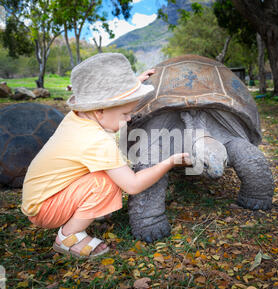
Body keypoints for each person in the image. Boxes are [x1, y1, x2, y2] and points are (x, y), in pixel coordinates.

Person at [21, 53, 191, 259]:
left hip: (41, 195)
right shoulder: (96, 141)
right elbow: (133, 185)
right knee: (107, 182)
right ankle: (67, 237)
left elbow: (110, 104)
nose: (129, 119)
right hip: (44, 208)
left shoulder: (78, 117)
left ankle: (87, 210)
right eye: (125, 113)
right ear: (100, 110)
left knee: (107, 173)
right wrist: (169, 162)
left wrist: (134, 83)